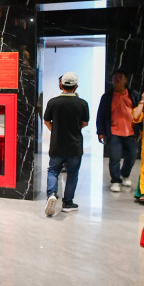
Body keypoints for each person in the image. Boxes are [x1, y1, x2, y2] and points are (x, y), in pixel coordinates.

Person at [43, 72, 90, 216]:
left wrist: (56, 130)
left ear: (61, 85)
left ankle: (52, 194)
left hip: (57, 144)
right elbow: (85, 122)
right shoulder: (82, 103)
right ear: (76, 86)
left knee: (53, 170)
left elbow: (46, 121)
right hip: (75, 146)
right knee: (72, 174)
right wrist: (74, 129)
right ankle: (68, 203)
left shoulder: (53, 102)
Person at [96, 69, 140, 192]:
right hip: (114, 132)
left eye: (120, 77)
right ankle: (115, 180)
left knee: (132, 156)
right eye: (115, 77)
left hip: (131, 132)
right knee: (114, 157)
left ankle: (125, 174)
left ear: (126, 79)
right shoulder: (107, 97)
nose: (117, 79)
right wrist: (100, 132)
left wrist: (140, 129)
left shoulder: (134, 95)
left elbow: (141, 113)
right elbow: (101, 115)